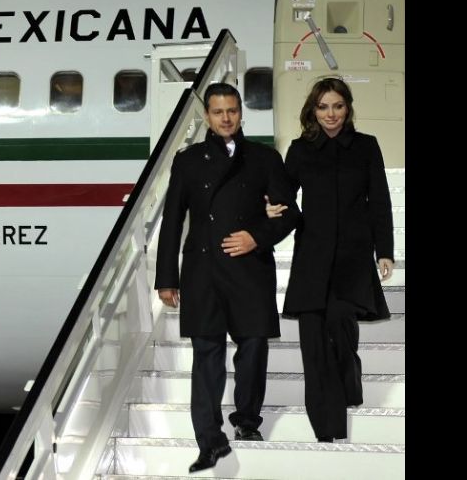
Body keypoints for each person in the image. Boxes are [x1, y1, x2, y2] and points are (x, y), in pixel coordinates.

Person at [155, 82, 299, 473]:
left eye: (232, 111)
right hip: (202, 269)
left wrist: (256, 236)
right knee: (206, 356)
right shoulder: (187, 161)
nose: (225, 118)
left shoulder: (265, 158)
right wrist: (167, 277)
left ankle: (247, 422)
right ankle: (209, 441)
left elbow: (290, 214)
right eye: (218, 112)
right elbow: (172, 222)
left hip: (249, 269)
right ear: (207, 116)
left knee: (253, 347)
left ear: (241, 113)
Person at [272, 77, 394, 443]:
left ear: (348, 108)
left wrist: (384, 250)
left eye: (337, 106)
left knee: (341, 333)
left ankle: (350, 377)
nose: (331, 114)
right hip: (312, 259)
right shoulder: (300, 149)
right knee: (313, 346)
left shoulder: (366, 147)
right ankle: (329, 433)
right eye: (323, 107)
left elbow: (381, 202)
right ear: (313, 110)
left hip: (353, 259)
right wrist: (273, 206)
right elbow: (283, 193)